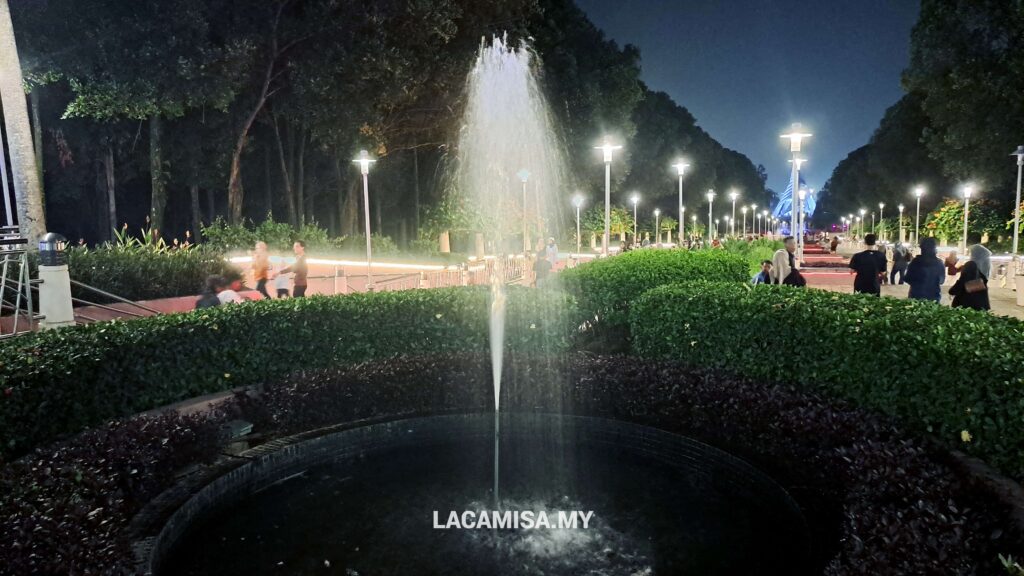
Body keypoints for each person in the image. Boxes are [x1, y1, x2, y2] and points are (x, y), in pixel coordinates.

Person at [949, 244, 991, 311]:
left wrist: (952, 291)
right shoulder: (986, 267)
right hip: (981, 304)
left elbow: (963, 281)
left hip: (967, 304)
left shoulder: (971, 265)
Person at [904, 237, 944, 302]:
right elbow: (941, 281)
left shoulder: (915, 262)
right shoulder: (939, 263)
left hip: (916, 297)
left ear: (922, 248)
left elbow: (907, 279)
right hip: (934, 297)